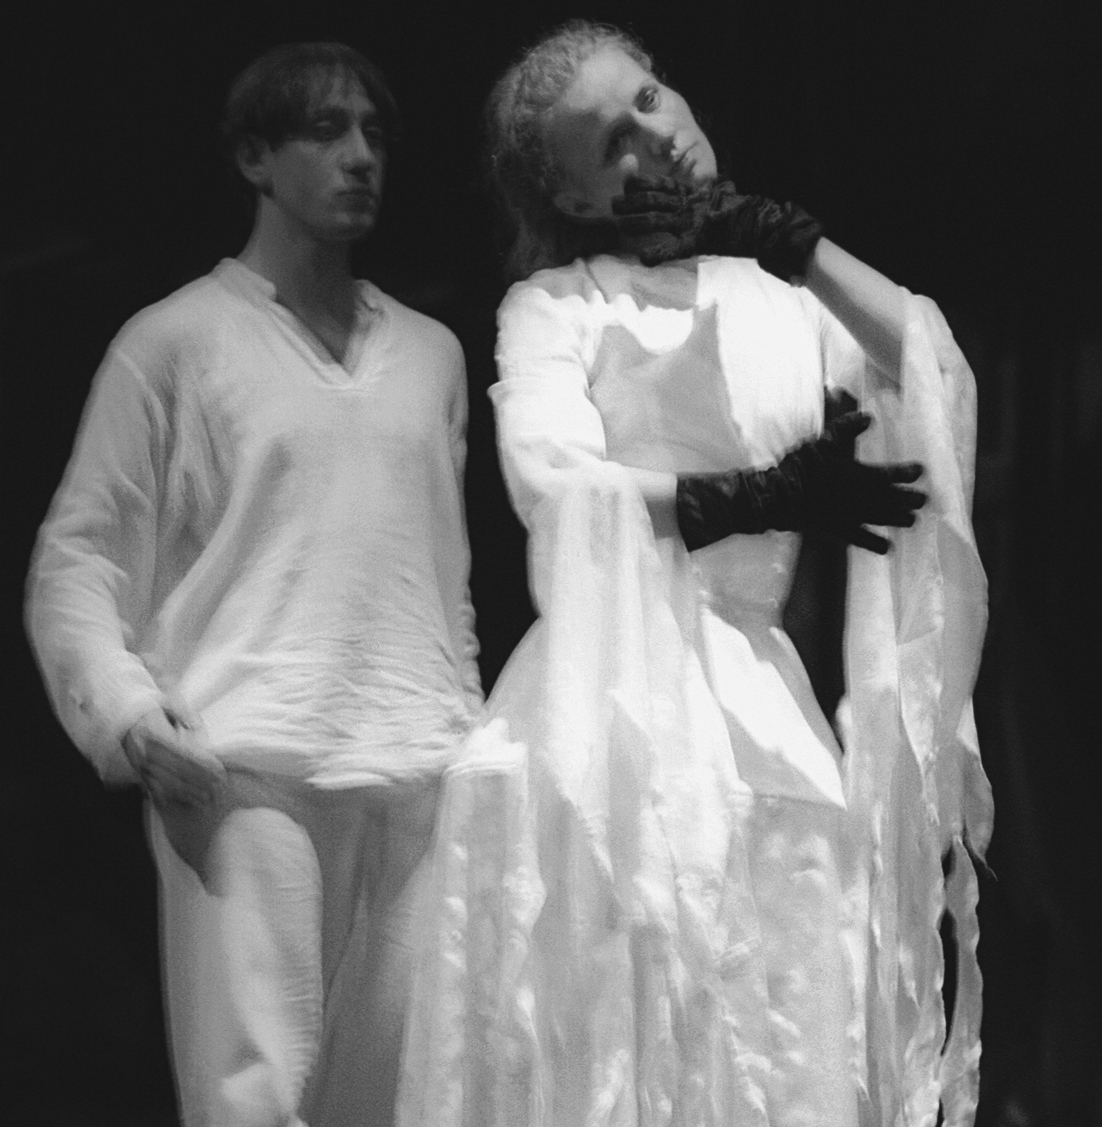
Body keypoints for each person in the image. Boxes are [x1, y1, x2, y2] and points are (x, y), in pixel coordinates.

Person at [396, 21, 991, 1127]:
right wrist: (751, 497)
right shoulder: (558, 304)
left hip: (758, 706)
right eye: (610, 142)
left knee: (778, 1049)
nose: (653, 137)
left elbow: (931, 369)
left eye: (650, 99)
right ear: (570, 195)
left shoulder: (783, 299)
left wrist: (791, 245)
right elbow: (552, 481)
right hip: (605, 705)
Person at [26, 41, 482, 1127]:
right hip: (244, 765)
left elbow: (444, 575)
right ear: (253, 157)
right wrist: (127, 714)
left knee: (409, 1102)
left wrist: (469, 731)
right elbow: (79, 559)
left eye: (374, 133)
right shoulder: (173, 342)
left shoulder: (432, 355)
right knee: (255, 1099)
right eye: (326, 129)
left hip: (419, 768)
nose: (361, 156)